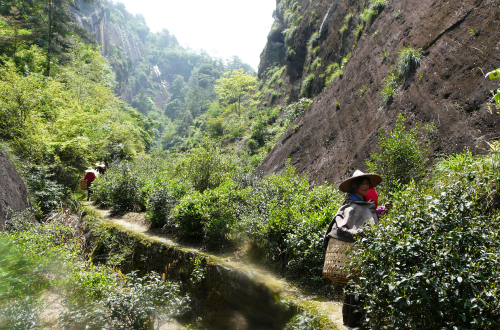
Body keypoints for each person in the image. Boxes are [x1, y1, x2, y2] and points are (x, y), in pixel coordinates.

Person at [323, 170, 391, 327]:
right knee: (355, 290)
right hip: (352, 254)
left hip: (362, 254)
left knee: (353, 288)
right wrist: (357, 234)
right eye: (363, 183)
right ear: (354, 185)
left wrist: (381, 211)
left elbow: (369, 219)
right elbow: (341, 223)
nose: (366, 186)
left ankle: (349, 322)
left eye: (367, 183)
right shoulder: (350, 204)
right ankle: (353, 323)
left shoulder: (365, 204)